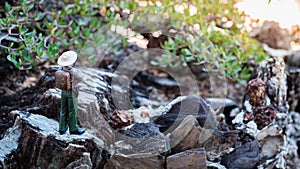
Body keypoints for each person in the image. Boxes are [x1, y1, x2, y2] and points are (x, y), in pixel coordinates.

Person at [57, 51, 85, 135]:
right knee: (72, 111)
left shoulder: (60, 69)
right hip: (72, 92)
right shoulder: (74, 71)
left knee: (63, 110)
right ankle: (73, 129)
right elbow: (84, 79)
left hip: (63, 91)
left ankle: (62, 128)